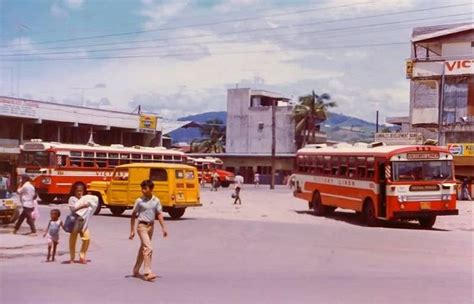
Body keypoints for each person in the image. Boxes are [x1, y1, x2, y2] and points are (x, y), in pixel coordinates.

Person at [129, 180, 168, 281]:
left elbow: (159, 214)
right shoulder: (139, 201)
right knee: (149, 248)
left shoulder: (156, 201)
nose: (143, 190)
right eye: (142, 188)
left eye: (145, 188)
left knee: (143, 248)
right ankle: (147, 272)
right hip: (141, 226)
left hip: (151, 226)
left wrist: (163, 227)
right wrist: (132, 230)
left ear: (151, 189)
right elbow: (133, 215)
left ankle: (136, 270)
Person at [68, 184, 98, 264]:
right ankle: (72, 258)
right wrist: (83, 206)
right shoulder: (72, 199)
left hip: (83, 222)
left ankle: (82, 256)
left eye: (81, 191)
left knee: (87, 238)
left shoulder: (85, 198)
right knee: (73, 241)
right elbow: (73, 209)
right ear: (74, 191)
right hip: (75, 222)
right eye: (77, 191)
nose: (79, 192)